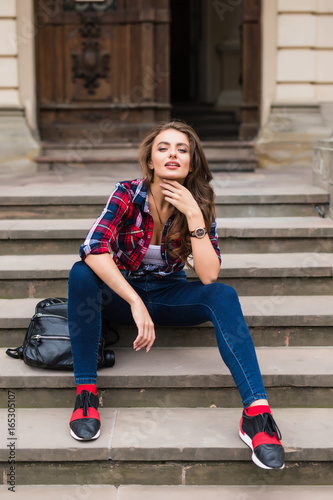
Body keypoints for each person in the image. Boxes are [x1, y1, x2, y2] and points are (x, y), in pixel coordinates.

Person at [67, 120, 285, 470]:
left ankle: (256, 416)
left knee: (223, 295)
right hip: (124, 295)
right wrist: (135, 302)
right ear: (151, 161)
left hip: (170, 295)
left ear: (191, 162)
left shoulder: (199, 202)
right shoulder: (127, 193)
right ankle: (86, 395)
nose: (173, 154)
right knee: (81, 273)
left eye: (182, 149)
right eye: (163, 148)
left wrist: (194, 214)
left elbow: (209, 275)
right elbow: (93, 248)